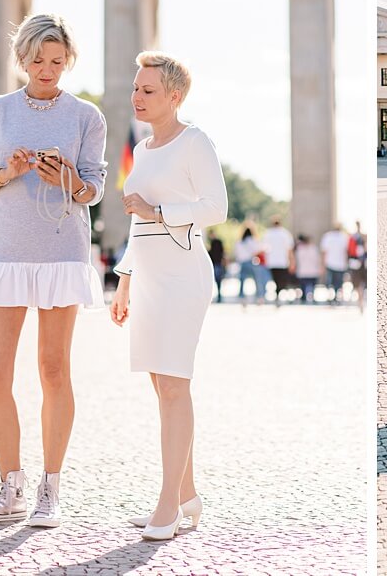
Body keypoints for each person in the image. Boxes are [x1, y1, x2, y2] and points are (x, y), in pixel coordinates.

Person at [0, 13, 108, 528]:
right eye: (38, 59)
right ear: (21, 58)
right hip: (6, 254)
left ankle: (51, 488)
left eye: (57, 60)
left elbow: (95, 189)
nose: (48, 69)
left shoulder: (86, 115)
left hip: (62, 251)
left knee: (53, 370)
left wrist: (68, 178)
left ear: (68, 61)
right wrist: (7, 172)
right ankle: (10, 487)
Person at [110, 51, 227, 541]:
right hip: (150, 279)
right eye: (136, 88)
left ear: (174, 96)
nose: (137, 96)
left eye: (148, 90)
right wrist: (125, 280)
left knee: (175, 387)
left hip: (184, 277)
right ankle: (187, 494)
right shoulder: (142, 147)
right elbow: (136, 227)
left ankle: (167, 503)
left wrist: (158, 210)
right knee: (163, 390)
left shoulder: (195, 141)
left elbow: (216, 208)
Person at [262, 216, 296, 303]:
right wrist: (292, 262)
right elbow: (289, 250)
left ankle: (277, 294)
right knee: (282, 279)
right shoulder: (285, 234)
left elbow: (264, 248)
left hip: (272, 261)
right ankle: (279, 293)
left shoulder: (268, 233)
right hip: (282, 261)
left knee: (275, 279)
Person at [319, 224, 349, 304]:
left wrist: (322, 264)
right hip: (340, 264)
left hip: (330, 263)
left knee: (330, 281)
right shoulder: (344, 237)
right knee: (338, 282)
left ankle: (331, 296)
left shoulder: (327, 236)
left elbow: (324, 252)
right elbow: (346, 252)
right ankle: (335, 296)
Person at [234, 226, 263, 303]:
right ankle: (259, 297)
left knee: (242, 281)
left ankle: (242, 297)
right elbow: (256, 250)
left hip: (242, 263)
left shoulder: (239, 242)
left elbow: (236, 253)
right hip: (251, 262)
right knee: (257, 280)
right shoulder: (252, 240)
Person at [293, 233, 323, 303]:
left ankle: (304, 297)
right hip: (312, 271)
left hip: (304, 271)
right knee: (311, 285)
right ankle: (310, 297)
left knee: (304, 285)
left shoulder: (300, 249)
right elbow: (318, 259)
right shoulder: (313, 249)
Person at [347, 221, 367, 313]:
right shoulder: (364, 237)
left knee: (358, 284)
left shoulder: (353, 237)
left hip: (356, 262)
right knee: (361, 284)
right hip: (362, 262)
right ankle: (361, 302)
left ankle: (360, 302)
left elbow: (350, 251)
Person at [206, 230, 225, 303]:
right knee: (217, 280)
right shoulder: (215, 242)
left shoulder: (215, 242)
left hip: (216, 263)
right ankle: (218, 295)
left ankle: (218, 295)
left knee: (216, 280)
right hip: (216, 263)